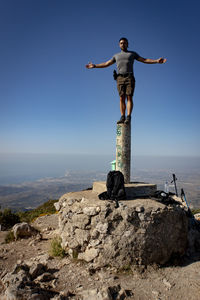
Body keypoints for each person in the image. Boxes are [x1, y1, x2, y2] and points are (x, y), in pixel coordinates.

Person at [85, 37, 167, 124]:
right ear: (119, 45)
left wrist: (156, 61)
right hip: (119, 78)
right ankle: (122, 116)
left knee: (129, 97)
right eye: (121, 43)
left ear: (127, 44)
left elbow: (144, 60)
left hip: (129, 77)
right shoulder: (116, 56)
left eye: (124, 43)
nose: (123, 44)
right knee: (121, 98)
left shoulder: (132, 54)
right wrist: (95, 66)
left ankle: (128, 116)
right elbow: (106, 63)